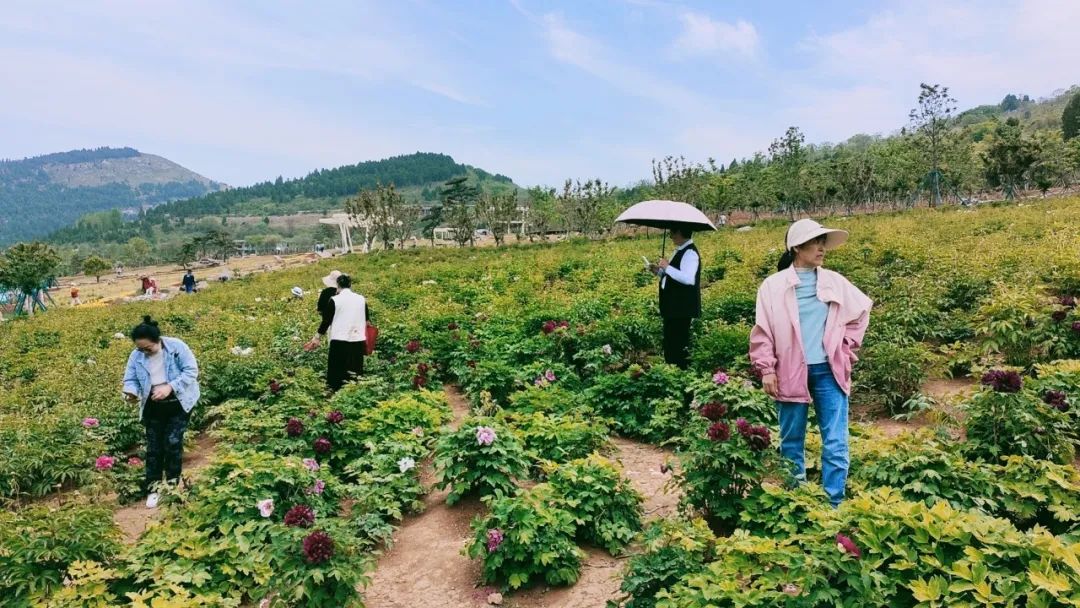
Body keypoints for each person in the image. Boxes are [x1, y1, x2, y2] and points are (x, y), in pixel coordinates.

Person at [749, 219, 872, 508]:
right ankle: (797, 501)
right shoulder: (773, 286)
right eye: (814, 242)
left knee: (836, 441)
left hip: (829, 370)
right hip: (790, 371)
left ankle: (834, 504)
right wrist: (766, 368)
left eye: (823, 242)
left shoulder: (834, 282)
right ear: (796, 247)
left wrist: (846, 348)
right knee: (792, 439)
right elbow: (763, 331)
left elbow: (861, 313)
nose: (821, 248)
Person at [121, 316, 200, 508]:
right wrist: (130, 393)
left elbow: (191, 371)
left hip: (178, 403)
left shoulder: (176, 347)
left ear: (158, 340)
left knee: (173, 443)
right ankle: (153, 488)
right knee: (154, 448)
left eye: (148, 348)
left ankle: (172, 485)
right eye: (141, 349)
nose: (144, 352)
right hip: (153, 406)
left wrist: (169, 387)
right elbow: (130, 379)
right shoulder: (136, 355)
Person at [648, 224, 701, 369]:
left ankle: (680, 374)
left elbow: (689, 279)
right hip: (673, 307)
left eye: (672, 232)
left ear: (679, 232)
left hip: (681, 308)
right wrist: (658, 272)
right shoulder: (679, 251)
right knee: (670, 342)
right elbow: (672, 276)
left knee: (678, 345)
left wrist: (667, 267)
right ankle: (672, 373)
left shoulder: (690, 253)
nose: (670, 236)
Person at [305, 273, 368, 391]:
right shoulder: (361, 299)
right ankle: (355, 392)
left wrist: (316, 337)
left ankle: (335, 393)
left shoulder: (335, 300)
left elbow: (326, 321)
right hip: (357, 339)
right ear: (350, 285)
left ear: (337, 285)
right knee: (355, 370)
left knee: (337, 371)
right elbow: (367, 321)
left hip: (339, 340)